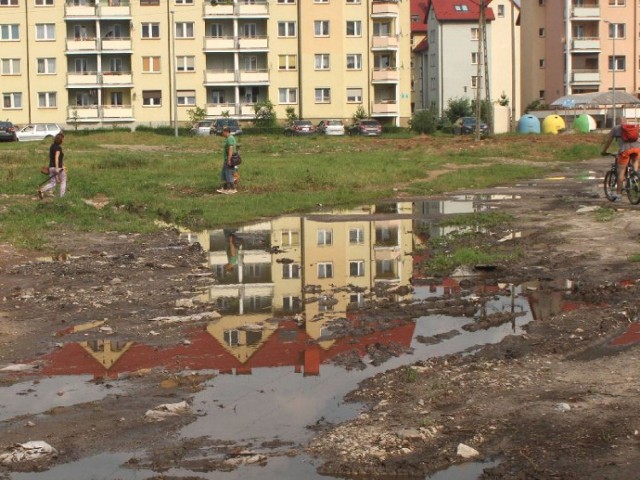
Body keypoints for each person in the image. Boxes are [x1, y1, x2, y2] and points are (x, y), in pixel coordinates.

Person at [602, 116, 640, 201]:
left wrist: (604, 151)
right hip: (637, 148)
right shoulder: (632, 127)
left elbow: (609, 141)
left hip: (625, 150)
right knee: (635, 159)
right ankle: (635, 175)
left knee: (621, 171)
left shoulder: (615, 128)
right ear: (626, 121)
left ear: (617, 121)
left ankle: (619, 194)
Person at [39, 133, 66, 199]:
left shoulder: (52, 146)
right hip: (57, 168)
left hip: (51, 167)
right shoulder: (58, 148)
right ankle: (62, 197)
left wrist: (62, 165)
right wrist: (57, 168)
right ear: (60, 140)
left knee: (53, 183)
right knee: (63, 181)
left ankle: (42, 190)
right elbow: (56, 157)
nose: (63, 141)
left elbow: (53, 158)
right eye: (63, 139)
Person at [216, 126, 238, 194]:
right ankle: (224, 188)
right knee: (224, 174)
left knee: (228, 174)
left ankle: (233, 189)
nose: (222, 133)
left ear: (226, 132)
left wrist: (229, 159)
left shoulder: (230, 138)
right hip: (227, 159)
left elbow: (231, 149)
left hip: (229, 159)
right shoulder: (228, 138)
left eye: (222, 132)